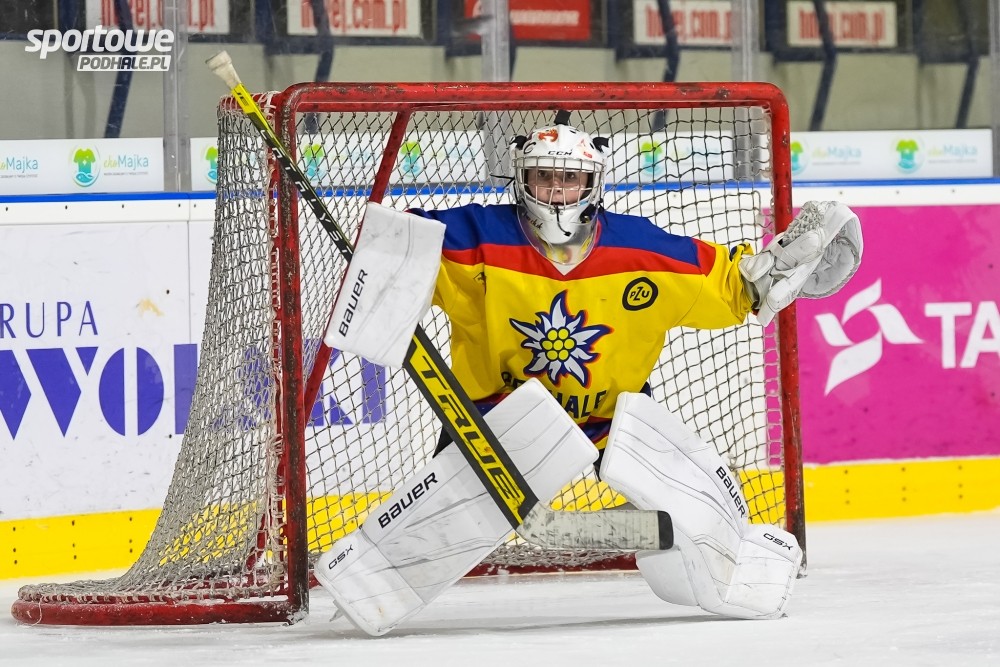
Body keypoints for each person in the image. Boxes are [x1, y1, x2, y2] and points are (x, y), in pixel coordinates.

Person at [316, 113, 863, 636]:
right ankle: (370, 583)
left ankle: (739, 568)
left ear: (592, 183)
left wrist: (778, 269)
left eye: (570, 179)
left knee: (696, 512)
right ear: (522, 180)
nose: (557, 191)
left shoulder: (642, 249)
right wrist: (386, 257)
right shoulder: (473, 237)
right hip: (495, 427)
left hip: (612, 422)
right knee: (439, 529)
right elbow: (396, 255)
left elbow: (734, 286)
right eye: (544, 177)